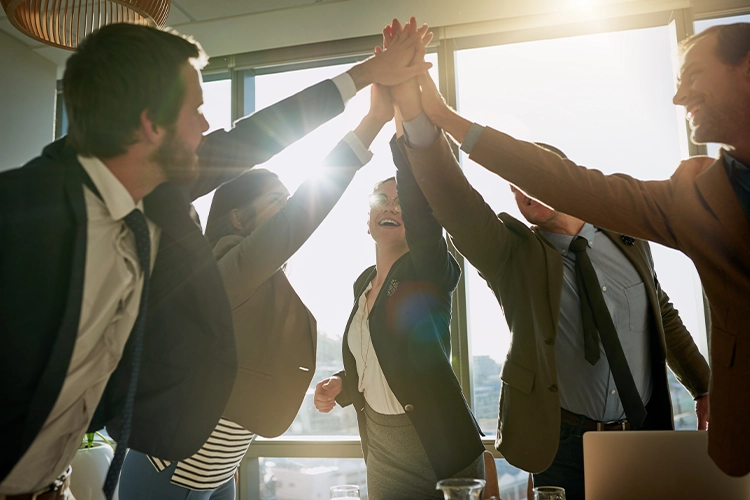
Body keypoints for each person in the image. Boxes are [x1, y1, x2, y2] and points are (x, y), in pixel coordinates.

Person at [0, 19, 432, 499]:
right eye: (196, 111)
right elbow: (292, 220)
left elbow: (257, 137)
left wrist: (370, 76)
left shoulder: (157, 197)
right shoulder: (23, 217)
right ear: (149, 122)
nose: (207, 127)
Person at [403, 21, 750, 478]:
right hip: (561, 445)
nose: (679, 96)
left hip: (641, 430)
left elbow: (661, 313)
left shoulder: (631, 240)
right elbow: (460, 207)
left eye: (695, 75)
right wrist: (429, 122)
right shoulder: (517, 253)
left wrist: (703, 383)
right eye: (516, 189)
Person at [118, 84, 392, 499]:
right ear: (239, 220)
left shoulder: (264, 283)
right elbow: (301, 216)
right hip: (170, 471)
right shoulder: (223, 273)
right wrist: (370, 124)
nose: (286, 209)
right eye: (275, 201)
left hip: (217, 474)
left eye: (286, 200)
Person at [313, 117, 485, 499]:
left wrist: (403, 135)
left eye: (402, 201)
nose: (392, 206)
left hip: (440, 449)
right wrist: (343, 382)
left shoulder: (430, 270)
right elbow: (376, 355)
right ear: (369, 220)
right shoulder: (363, 283)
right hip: (383, 451)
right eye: (382, 200)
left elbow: (426, 227)